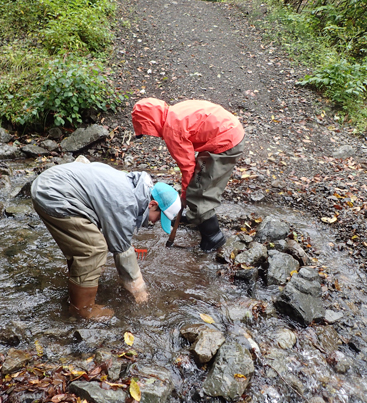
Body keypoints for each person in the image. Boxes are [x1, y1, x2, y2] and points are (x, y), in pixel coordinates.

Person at [30, 160, 181, 319]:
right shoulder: (127, 202)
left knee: (86, 241)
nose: (155, 222)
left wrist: (123, 242)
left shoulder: (133, 187)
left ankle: (78, 282)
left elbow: (113, 225)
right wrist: (140, 291)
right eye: (159, 217)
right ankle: (83, 309)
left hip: (53, 185)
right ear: (152, 204)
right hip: (52, 194)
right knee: (93, 249)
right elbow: (122, 252)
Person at [131, 98, 245, 251]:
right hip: (228, 132)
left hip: (225, 142)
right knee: (196, 184)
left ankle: (213, 237)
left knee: (199, 191)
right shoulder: (173, 113)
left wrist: (185, 194)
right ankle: (197, 218)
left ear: (150, 122)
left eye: (145, 130)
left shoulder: (171, 129)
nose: (150, 135)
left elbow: (187, 166)